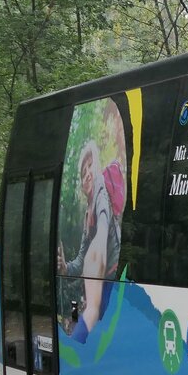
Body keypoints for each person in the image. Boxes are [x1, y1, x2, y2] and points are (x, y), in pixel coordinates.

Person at [58, 140, 121, 343]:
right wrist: (66, 267)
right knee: (81, 316)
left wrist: (100, 240)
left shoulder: (101, 194)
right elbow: (81, 259)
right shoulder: (87, 215)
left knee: (89, 319)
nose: (87, 174)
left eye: (90, 166)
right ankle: (75, 332)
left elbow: (104, 218)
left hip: (109, 279)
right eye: (83, 171)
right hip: (83, 290)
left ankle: (76, 339)